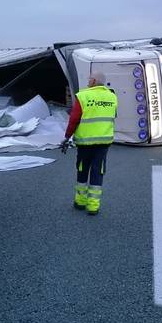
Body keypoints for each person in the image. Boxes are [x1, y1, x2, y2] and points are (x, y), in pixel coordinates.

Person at [62, 71, 118, 215]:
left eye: (89, 79)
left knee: (82, 169)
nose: (88, 81)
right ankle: (93, 206)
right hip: (103, 142)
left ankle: (80, 202)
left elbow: (74, 119)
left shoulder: (83, 96)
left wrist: (67, 136)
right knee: (97, 171)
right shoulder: (112, 97)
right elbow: (114, 115)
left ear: (93, 81)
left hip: (85, 142)